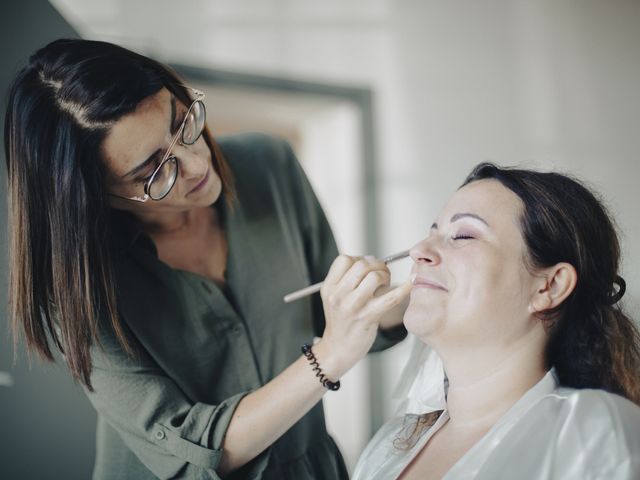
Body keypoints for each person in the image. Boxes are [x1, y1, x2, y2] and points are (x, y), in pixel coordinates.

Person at [4, 38, 412, 479]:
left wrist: (402, 293)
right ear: (95, 197)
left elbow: (336, 316)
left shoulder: (268, 165)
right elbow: (190, 453)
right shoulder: (72, 290)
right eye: (153, 172)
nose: (197, 165)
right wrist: (329, 355)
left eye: (184, 125)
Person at [353, 163, 640, 479]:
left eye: (463, 235)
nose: (418, 250)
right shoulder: (388, 446)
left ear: (550, 286)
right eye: (430, 233)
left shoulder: (593, 432)